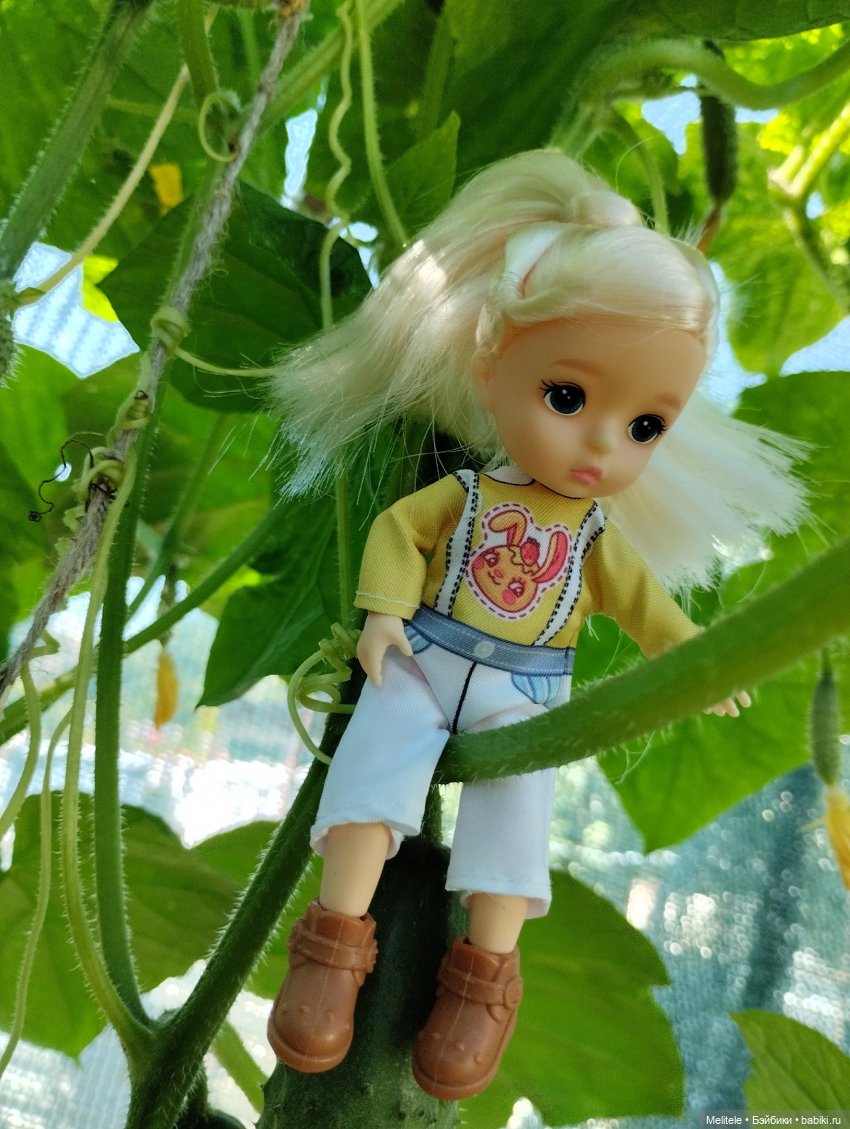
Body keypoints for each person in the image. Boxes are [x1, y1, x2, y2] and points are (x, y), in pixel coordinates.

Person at [266, 150, 806, 1100]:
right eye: (568, 397)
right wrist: (384, 613)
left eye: (646, 426)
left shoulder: (596, 535)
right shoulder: (467, 493)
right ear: (489, 367)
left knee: (514, 823)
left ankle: (484, 980)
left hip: (523, 688)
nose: (603, 441)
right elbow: (399, 532)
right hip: (425, 656)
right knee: (369, 782)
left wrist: (694, 662)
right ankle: (333, 941)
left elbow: (645, 607)